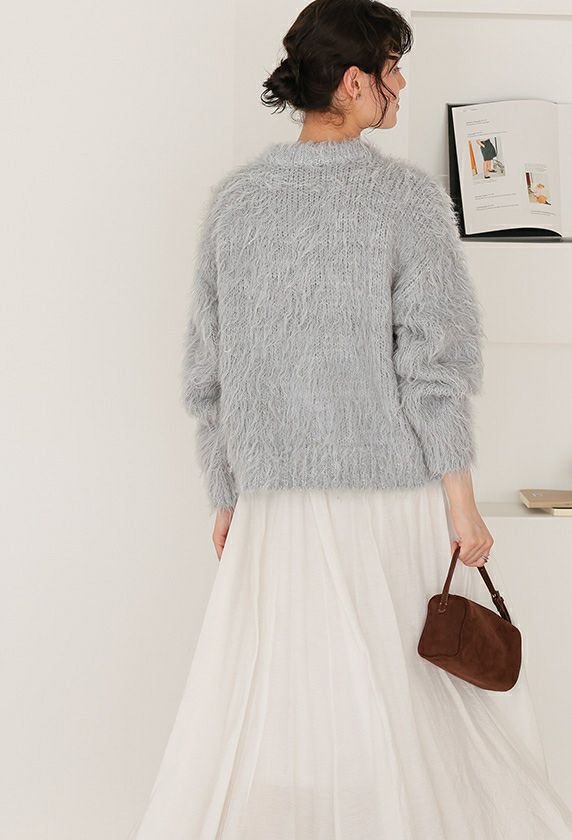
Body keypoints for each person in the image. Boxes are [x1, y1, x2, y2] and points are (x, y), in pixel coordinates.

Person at [129, 0, 572, 836]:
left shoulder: (237, 202)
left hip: (275, 506)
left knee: (286, 705)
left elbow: (209, 368)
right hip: (387, 496)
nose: (403, 83)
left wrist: (227, 492)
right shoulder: (404, 200)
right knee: (413, 709)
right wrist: (462, 501)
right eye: (393, 67)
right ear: (354, 82)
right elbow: (433, 364)